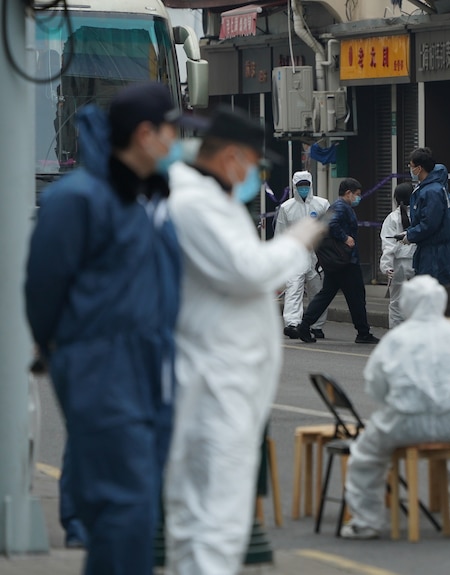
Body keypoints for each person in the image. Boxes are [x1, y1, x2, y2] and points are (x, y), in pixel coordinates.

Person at [25, 82, 189, 575]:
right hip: (103, 368)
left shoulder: (146, 201)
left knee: (132, 509)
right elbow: (43, 289)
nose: (178, 143)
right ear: (145, 134)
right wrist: (62, 350)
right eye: (172, 131)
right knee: (126, 508)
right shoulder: (78, 199)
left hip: (150, 371)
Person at [164, 106, 325, 574]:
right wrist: (300, 241)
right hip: (216, 378)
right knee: (218, 511)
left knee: (206, 512)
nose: (258, 176)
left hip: (220, 374)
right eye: (258, 166)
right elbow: (246, 269)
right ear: (233, 157)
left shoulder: (206, 198)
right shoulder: (195, 203)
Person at [340, 275, 450, 539]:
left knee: (364, 459)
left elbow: (375, 386)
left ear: (407, 302)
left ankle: (367, 521)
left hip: (402, 423)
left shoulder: (396, 339)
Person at [297, 178, 381, 344]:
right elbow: (330, 224)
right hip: (346, 261)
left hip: (337, 262)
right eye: (356, 194)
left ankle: (305, 324)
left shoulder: (336, 206)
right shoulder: (341, 207)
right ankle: (363, 332)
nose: (358, 198)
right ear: (348, 193)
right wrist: (345, 238)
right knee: (356, 296)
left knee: (326, 295)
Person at [275, 170, 330, 339]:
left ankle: (316, 325)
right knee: (294, 289)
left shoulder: (322, 204)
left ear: (311, 185)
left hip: (317, 255)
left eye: (306, 185)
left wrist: (327, 255)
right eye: (300, 186)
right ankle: (292, 324)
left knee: (318, 291)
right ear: (294, 187)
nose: (303, 189)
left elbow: (328, 231)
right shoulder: (287, 207)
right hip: (295, 255)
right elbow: (280, 233)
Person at [400, 148, 450, 283]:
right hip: (428, 250)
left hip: (433, 253)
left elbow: (430, 223)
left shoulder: (431, 192)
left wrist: (411, 235)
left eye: (411, 166)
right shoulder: (427, 189)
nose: (410, 169)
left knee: (430, 293)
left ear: (419, 168)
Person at [380, 183, 416, 328]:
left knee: (396, 303)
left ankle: (396, 335)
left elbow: (388, 245)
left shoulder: (392, 218)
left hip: (398, 264)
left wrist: (386, 267)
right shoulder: (419, 214)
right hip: (416, 262)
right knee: (416, 301)